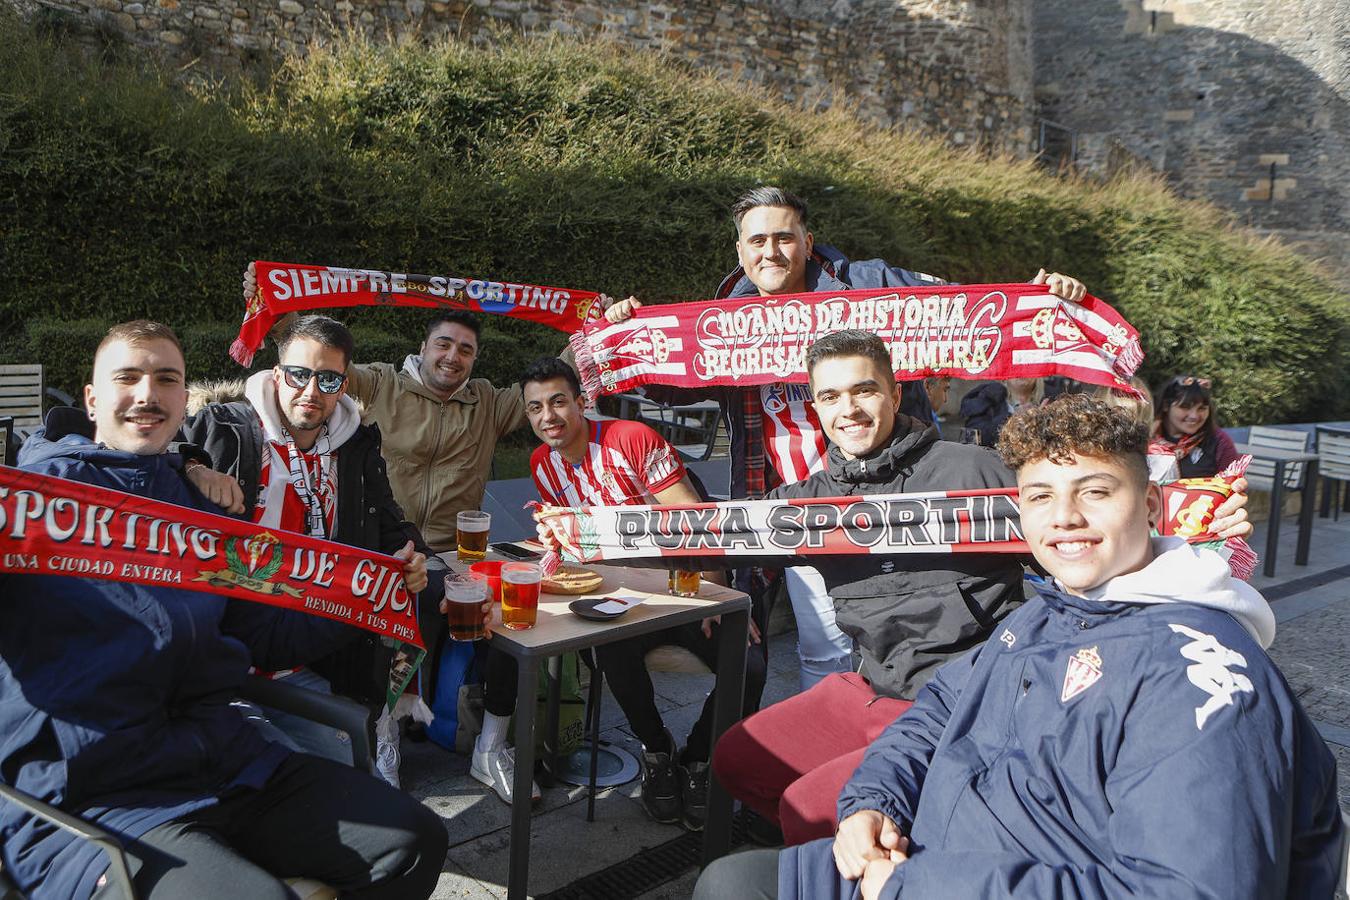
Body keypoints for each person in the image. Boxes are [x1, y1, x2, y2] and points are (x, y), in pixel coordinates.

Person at [537, 330, 1253, 847]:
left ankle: (885, 852)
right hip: (867, 684)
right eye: (829, 397)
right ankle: (853, 855)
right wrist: (577, 536)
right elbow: (702, 537)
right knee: (737, 761)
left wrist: (1196, 522)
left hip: (970, 695)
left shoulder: (971, 467)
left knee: (814, 807)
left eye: (863, 390)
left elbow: (1085, 524)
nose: (847, 409)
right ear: (813, 408)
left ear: (892, 390)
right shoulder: (806, 501)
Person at [692, 394, 1342, 900]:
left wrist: (917, 887)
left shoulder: (1199, 675)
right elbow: (939, 710)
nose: (1063, 517)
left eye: (1095, 490)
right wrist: (874, 801)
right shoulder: (1046, 616)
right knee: (731, 882)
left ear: (1149, 507)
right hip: (937, 862)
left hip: (958, 882)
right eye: (1040, 496)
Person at [0, 321, 449, 900]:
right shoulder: (34, 501)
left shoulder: (200, 505)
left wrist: (372, 594)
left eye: (166, 379)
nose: (146, 394)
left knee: (416, 839)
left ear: (184, 400)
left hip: (228, 760)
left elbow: (259, 632)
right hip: (96, 796)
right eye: (127, 378)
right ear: (91, 399)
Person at [603, 187, 1089, 695]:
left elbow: (962, 312)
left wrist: (1038, 299)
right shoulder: (722, 319)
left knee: (884, 637)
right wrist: (623, 333)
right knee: (805, 649)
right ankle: (806, 744)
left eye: (785, 238)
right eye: (758, 240)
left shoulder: (867, 284)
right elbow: (663, 380)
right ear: (741, 252)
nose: (771, 252)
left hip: (883, 498)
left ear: (808, 242)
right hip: (792, 508)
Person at [493, 357, 768, 829]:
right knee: (609, 652)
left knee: (751, 665)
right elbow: (577, 543)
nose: (548, 417)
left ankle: (700, 761)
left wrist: (718, 596)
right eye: (535, 408)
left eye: (559, 402)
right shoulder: (543, 463)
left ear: (582, 403)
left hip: (684, 582)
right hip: (616, 590)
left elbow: (696, 525)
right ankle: (657, 752)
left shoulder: (629, 439)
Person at [179, 314, 448, 787]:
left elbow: (388, 518)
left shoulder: (356, 443)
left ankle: (383, 723)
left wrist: (412, 554)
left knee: (425, 592)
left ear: (343, 383)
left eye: (327, 379)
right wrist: (193, 466)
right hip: (236, 625)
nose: (311, 391)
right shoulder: (227, 428)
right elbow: (150, 453)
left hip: (317, 621)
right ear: (278, 374)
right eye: (300, 375)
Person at [1150, 374, 1239, 478]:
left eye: (1202, 408)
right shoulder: (1144, 438)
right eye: (1185, 407)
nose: (1194, 416)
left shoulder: (1220, 442)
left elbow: (1232, 485)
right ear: (1166, 406)